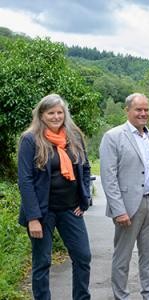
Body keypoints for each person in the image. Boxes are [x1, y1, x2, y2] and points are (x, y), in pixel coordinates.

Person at [17, 94, 92, 300]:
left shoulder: (74, 136)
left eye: (60, 112)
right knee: (42, 262)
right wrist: (33, 218)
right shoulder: (30, 139)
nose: (56, 116)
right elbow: (25, 180)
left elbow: (85, 169)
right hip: (42, 212)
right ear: (42, 115)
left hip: (71, 208)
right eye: (51, 113)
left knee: (83, 256)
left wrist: (85, 200)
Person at [100, 93, 149, 300]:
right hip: (127, 207)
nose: (143, 113)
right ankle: (121, 296)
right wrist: (118, 210)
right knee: (122, 257)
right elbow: (108, 177)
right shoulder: (113, 136)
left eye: (146, 109)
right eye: (138, 109)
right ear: (127, 110)